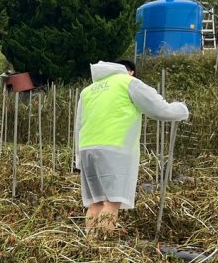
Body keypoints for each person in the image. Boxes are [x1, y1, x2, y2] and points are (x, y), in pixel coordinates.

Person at [73, 59, 188, 238]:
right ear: (129, 71)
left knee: (95, 202)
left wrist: (78, 158)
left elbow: (78, 124)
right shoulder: (127, 82)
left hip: (88, 149)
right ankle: (102, 246)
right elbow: (158, 109)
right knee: (112, 202)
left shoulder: (88, 91)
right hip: (114, 148)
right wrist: (182, 109)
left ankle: (90, 243)